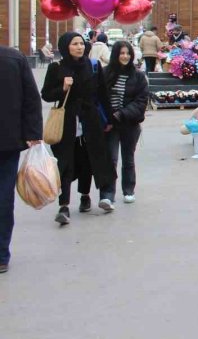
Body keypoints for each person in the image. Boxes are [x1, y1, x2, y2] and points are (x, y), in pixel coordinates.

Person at [42, 32, 115, 224]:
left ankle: (85, 195)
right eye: (74, 44)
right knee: (65, 162)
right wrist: (63, 89)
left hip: (90, 120)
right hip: (67, 122)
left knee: (87, 160)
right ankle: (64, 205)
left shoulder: (93, 66)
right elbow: (47, 94)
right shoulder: (56, 67)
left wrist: (109, 120)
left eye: (81, 44)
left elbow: (102, 95)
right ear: (66, 46)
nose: (79, 47)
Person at [0, 46, 43, 274]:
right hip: (7, 141)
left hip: (7, 142)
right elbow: (31, 98)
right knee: (3, 198)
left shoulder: (14, 58)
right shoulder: (14, 58)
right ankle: (1, 255)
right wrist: (32, 133)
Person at [105, 41, 149, 204]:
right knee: (111, 159)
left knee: (128, 158)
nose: (125, 56)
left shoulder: (138, 76)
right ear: (115, 55)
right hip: (110, 125)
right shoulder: (105, 73)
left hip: (129, 124)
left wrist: (121, 114)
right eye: (121, 53)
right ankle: (108, 193)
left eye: (128, 53)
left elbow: (141, 101)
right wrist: (108, 117)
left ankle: (128, 189)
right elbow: (100, 99)